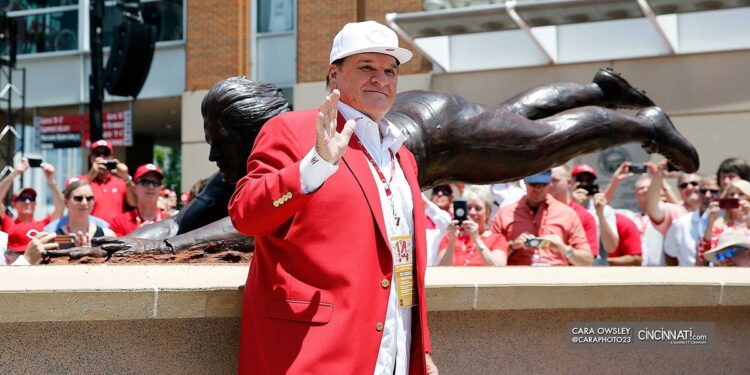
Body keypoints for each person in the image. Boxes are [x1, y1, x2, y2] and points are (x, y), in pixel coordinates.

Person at [56, 47, 700, 260]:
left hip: (439, 133)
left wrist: (165, 247)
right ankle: (597, 87)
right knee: (514, 118)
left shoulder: (305, 146)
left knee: (535, 143)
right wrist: (140, 238)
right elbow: (196, 215)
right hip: (428, 120)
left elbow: (251, 224)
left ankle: (638, 117)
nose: (212, 151)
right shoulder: (249, 161)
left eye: (220, 139)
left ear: (253, 134)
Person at [227, 21, 437, 374]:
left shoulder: (403, 156)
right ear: (334, 75)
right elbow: (245, 215)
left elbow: (405, 260)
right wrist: (315, 165)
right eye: (366, 67)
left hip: (393, 357)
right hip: (313, 356)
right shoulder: (292, 130)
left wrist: (421, 348)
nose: (381, 79)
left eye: (390, 70)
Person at [491, 170, 593, 266]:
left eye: (543, 185)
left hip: (555, 277)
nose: (537, 189)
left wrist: (563, 248)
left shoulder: (567, 214)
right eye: (533, 184)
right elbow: (487, 258)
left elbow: (587, 261)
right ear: (525, 184)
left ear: (550, 184)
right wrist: (512, 246)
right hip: (519, 278)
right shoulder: (506, 214)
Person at [0, 157, 65, 257]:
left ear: (35, 204)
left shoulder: (44, 224)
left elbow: (60, 207)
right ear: (14, 204)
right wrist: (15, 173)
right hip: (15, 263)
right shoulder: (8, 223)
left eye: (31, 198)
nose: (27, 201)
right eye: (22, 198)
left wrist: (51, 180)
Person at [438, 185, 505, 266]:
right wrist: (452, 242)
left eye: (478, 208)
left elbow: (499, 268)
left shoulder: (497, 239)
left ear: (488, 213)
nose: (472, 212)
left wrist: (476, 239)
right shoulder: (449, 237)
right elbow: (442, 269)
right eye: (468, 208)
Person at [663, 177, 719, 266]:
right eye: (703, 191)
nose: (708, 195)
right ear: (697, 193)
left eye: (713, 191)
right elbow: (670, 253)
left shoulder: (729, 222)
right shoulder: (681, 223)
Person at [78, 140, 136, 224]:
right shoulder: (82, 181)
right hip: (91, 232)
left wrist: (127, 178)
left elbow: (134, 203)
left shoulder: (122, 182)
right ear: (91, 158)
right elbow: (73, 198)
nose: (102, 157)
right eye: (97, 154)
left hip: (116, 233)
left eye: (105, 154)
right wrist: (90, 176)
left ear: (112, 157)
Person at [570, 164, 619, 262]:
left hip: (596, 264)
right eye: (580, 180)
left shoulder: (604, 209)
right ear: (571, 182)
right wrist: (576, 207)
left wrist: (600, 214)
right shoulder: (564, 207)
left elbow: (611, 247)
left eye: (589, 181)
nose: (584, 184)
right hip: (570, 261)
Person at [697, 179, 750, 265]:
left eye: (741, 194)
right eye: (731, 194)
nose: (735, 197)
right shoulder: (718, 225)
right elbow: (702, 255)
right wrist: (711, 222)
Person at [549, 165, 599, 257]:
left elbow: (590, 257)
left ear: (568, 182)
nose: (549, 184)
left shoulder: (585, 215)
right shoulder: (537, 209)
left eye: (554, 180)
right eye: (579, 180)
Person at [109, 164, 169, 236]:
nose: (151, 186)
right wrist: (137, 235)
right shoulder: (119, 223)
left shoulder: (169, 221)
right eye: (145, 182)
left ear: (160, 188)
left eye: (156, 182)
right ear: (135, 188)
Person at [56, 179, 115, 246]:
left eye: (89, 198)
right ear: (66, 202)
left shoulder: (107, 236)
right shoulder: (57, 238)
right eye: (78, 198)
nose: (84, 203)